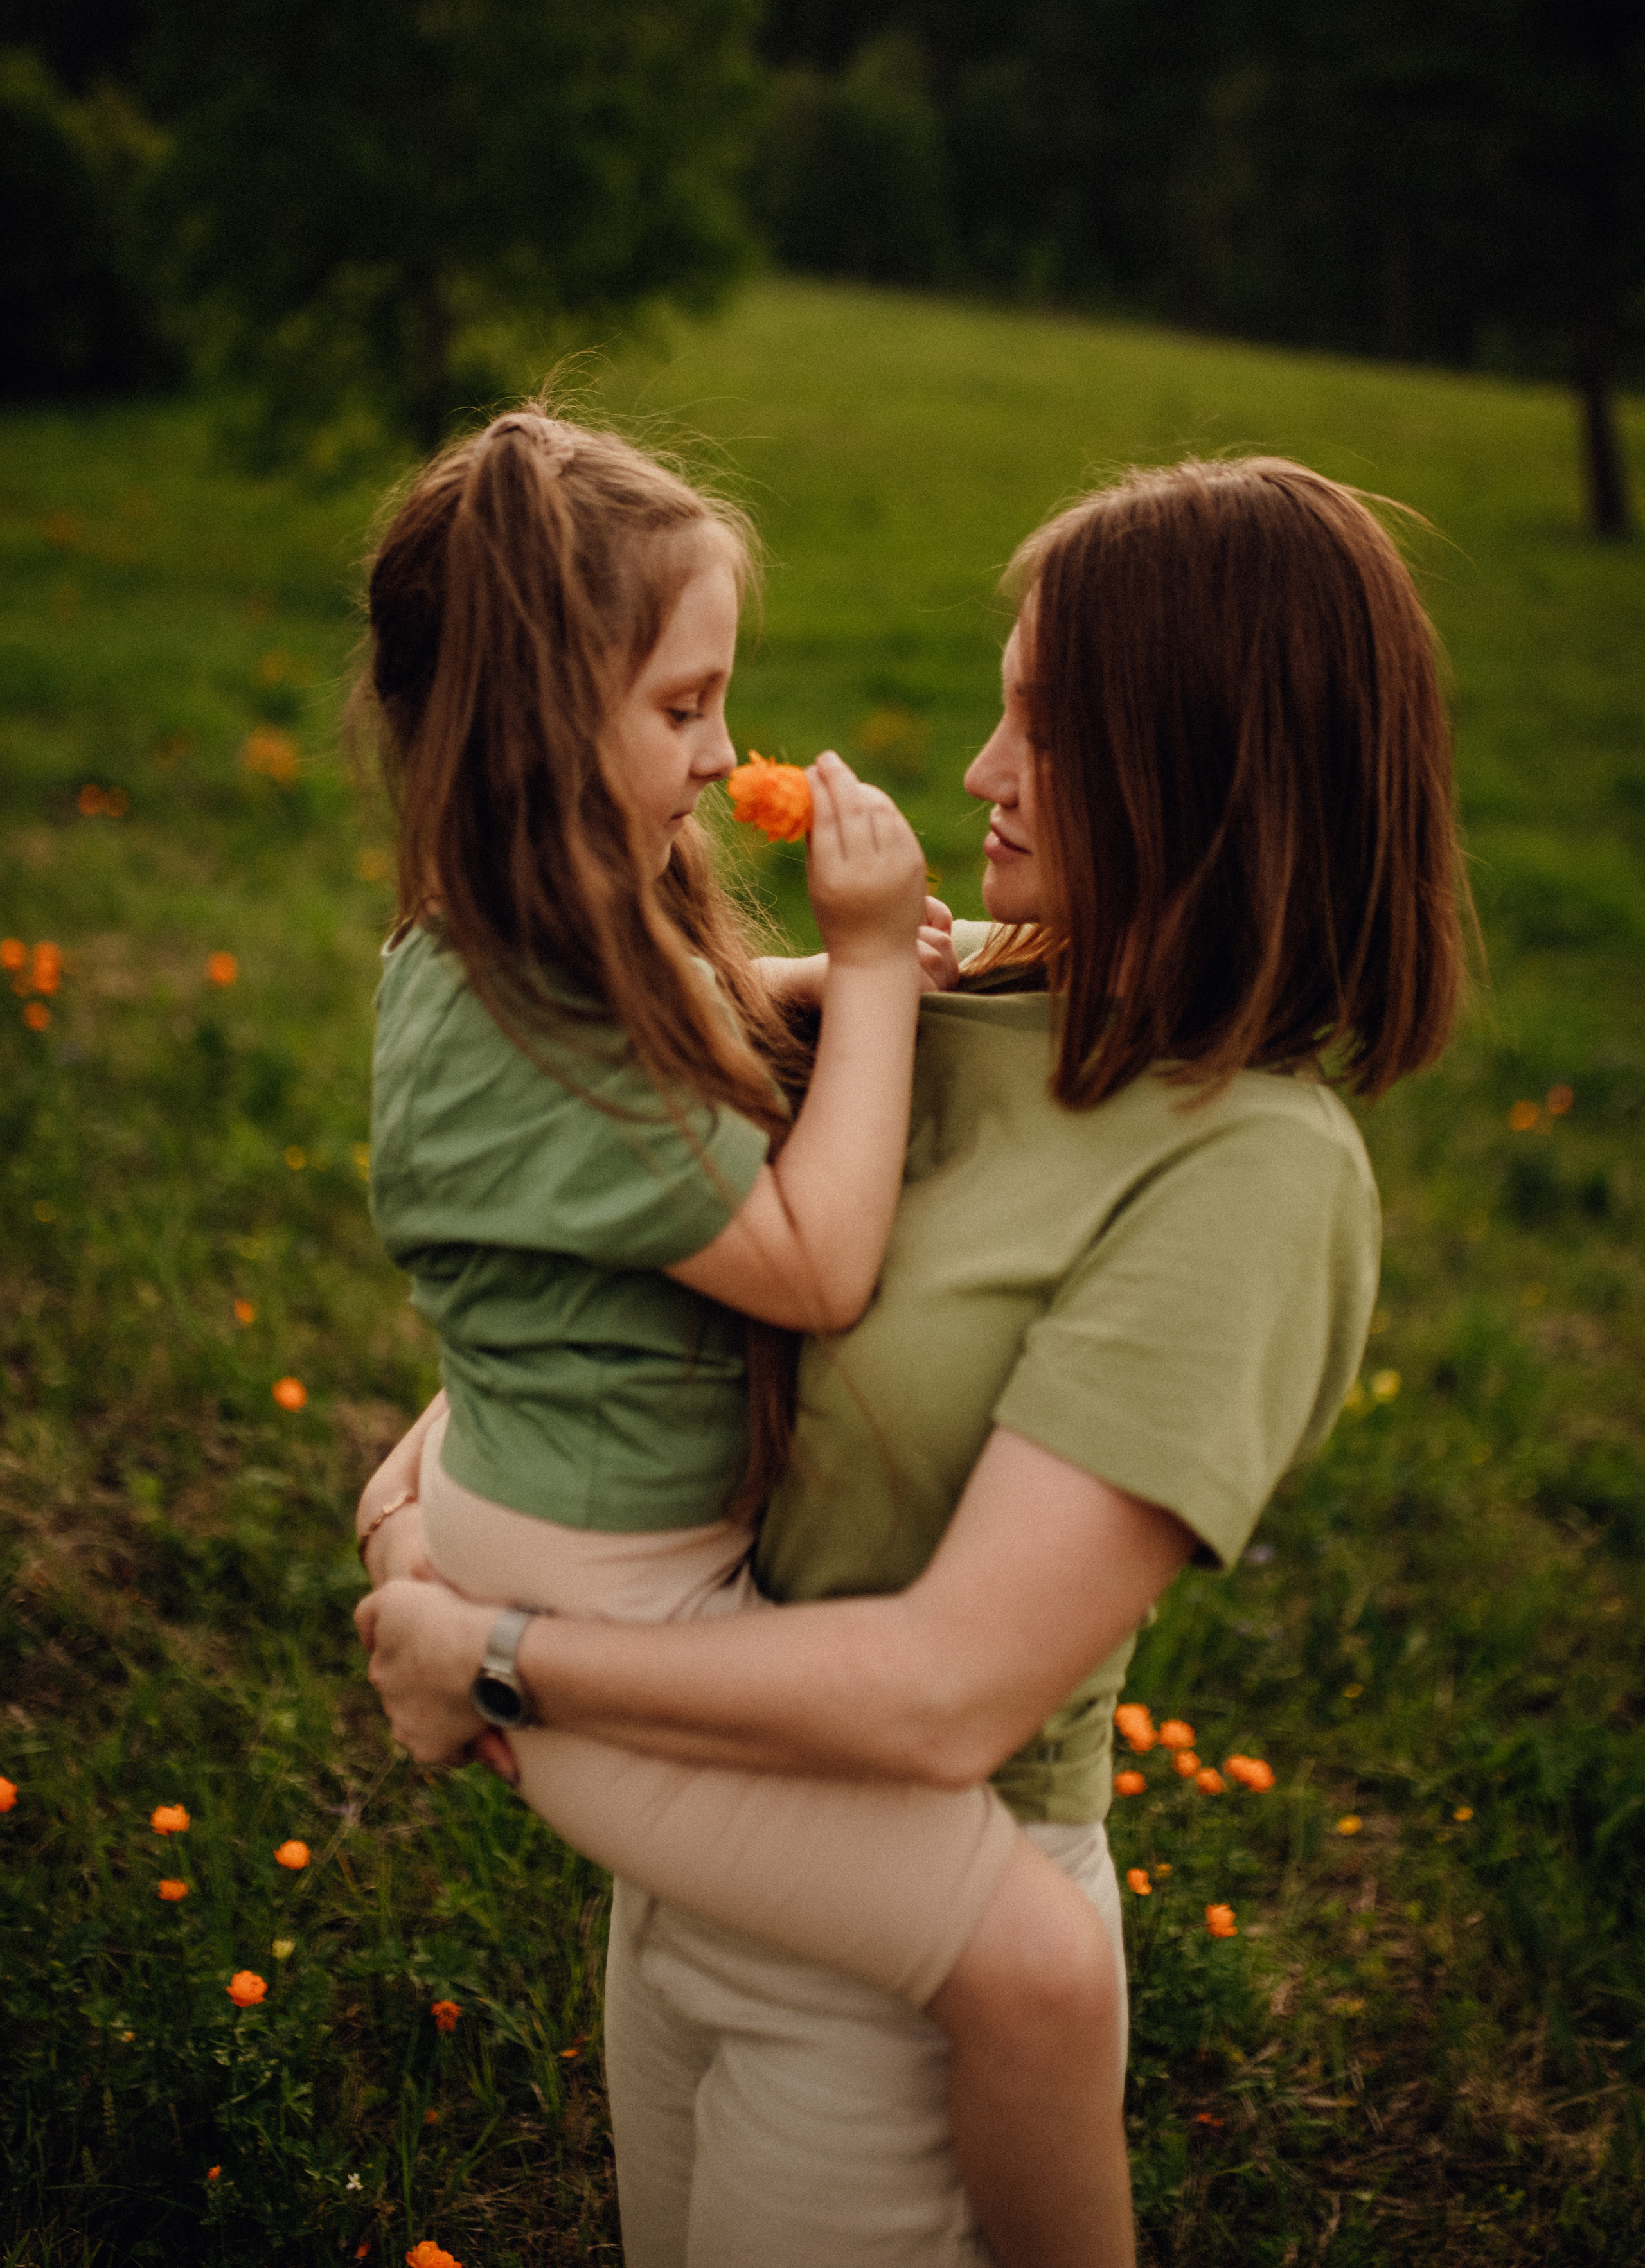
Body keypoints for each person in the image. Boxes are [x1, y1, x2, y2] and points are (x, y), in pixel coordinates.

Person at [359, 451, 1472, 2268]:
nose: (977, 773)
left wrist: (495, 1653)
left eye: (1044, 724)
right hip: (689, 1862)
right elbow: (597, 1266)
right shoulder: (953, 998)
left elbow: (950, 1687)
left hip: (901, 1969)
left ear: (1201, 759)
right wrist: (427, 1498)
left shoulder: (1252, 1173)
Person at [348, 404, 1143, 2268]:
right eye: (684, 709)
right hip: (615, 1599)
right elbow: (815, 1266)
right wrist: (867, 968)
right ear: (546, 721)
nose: (723, 756)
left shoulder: (499, 953)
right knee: (1027, 1952)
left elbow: (695, 1009)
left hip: (567, 1531)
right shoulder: (536, 1026)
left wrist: (814, 982)